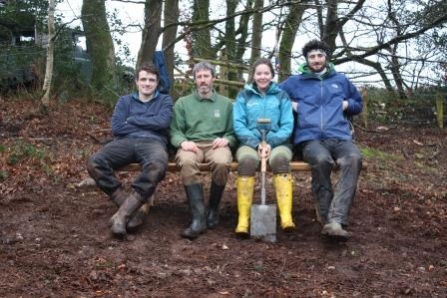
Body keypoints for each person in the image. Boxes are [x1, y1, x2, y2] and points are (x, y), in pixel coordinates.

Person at [279, 39, 363, 241]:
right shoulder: (295, 82)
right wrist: (291, 105)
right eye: (312, 57)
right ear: (306, 60)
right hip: (310, 139)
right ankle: (327, 218)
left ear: (326, 57)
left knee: (354, 159)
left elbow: (358, 103)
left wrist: (346, 105)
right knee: (321, 161)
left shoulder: (340, 80)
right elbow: (273, 95)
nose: (316, 60)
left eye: (319, 55)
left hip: (340, 136)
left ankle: (336, 219)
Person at [87, 63, 173, 239]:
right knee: (95, 161)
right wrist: (149, 121)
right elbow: (117, 128)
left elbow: (163, 123)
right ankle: (131, 207)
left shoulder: (164, 100)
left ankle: (122, 216)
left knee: (157, 164)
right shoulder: (124, 101)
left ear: (157, 83)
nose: (147, 83)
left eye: (151, 80)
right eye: (143, 79)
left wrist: (133, 120)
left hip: (153, 142)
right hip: (125, 142)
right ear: (136, 82)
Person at [170, 61, 236, 240]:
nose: (203, 80)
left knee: (222, 162)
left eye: (206, 76)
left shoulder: (227, 104)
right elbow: (175, 130)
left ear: (213, 78)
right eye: (199, 77)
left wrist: (226, 139)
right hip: (192, 144)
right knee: (187, 161)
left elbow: (233, 131)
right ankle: (198, 217)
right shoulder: (183, 103)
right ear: (195, 81)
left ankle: (213, 208)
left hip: (216, 144)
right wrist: (182, 142)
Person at [233, 57, 295, 237]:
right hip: (248, 142)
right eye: (259, 73)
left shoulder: (281, 96)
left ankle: (285, 216)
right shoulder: (243, 96)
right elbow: (238, 124)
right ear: (253, 75)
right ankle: (243, 219)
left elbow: (287, 125)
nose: (262, 77)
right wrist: (255, 143)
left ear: (272, 75)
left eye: (266, 73)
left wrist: (271, 142)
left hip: (278, 143)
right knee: (246, 161)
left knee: (280, 160)